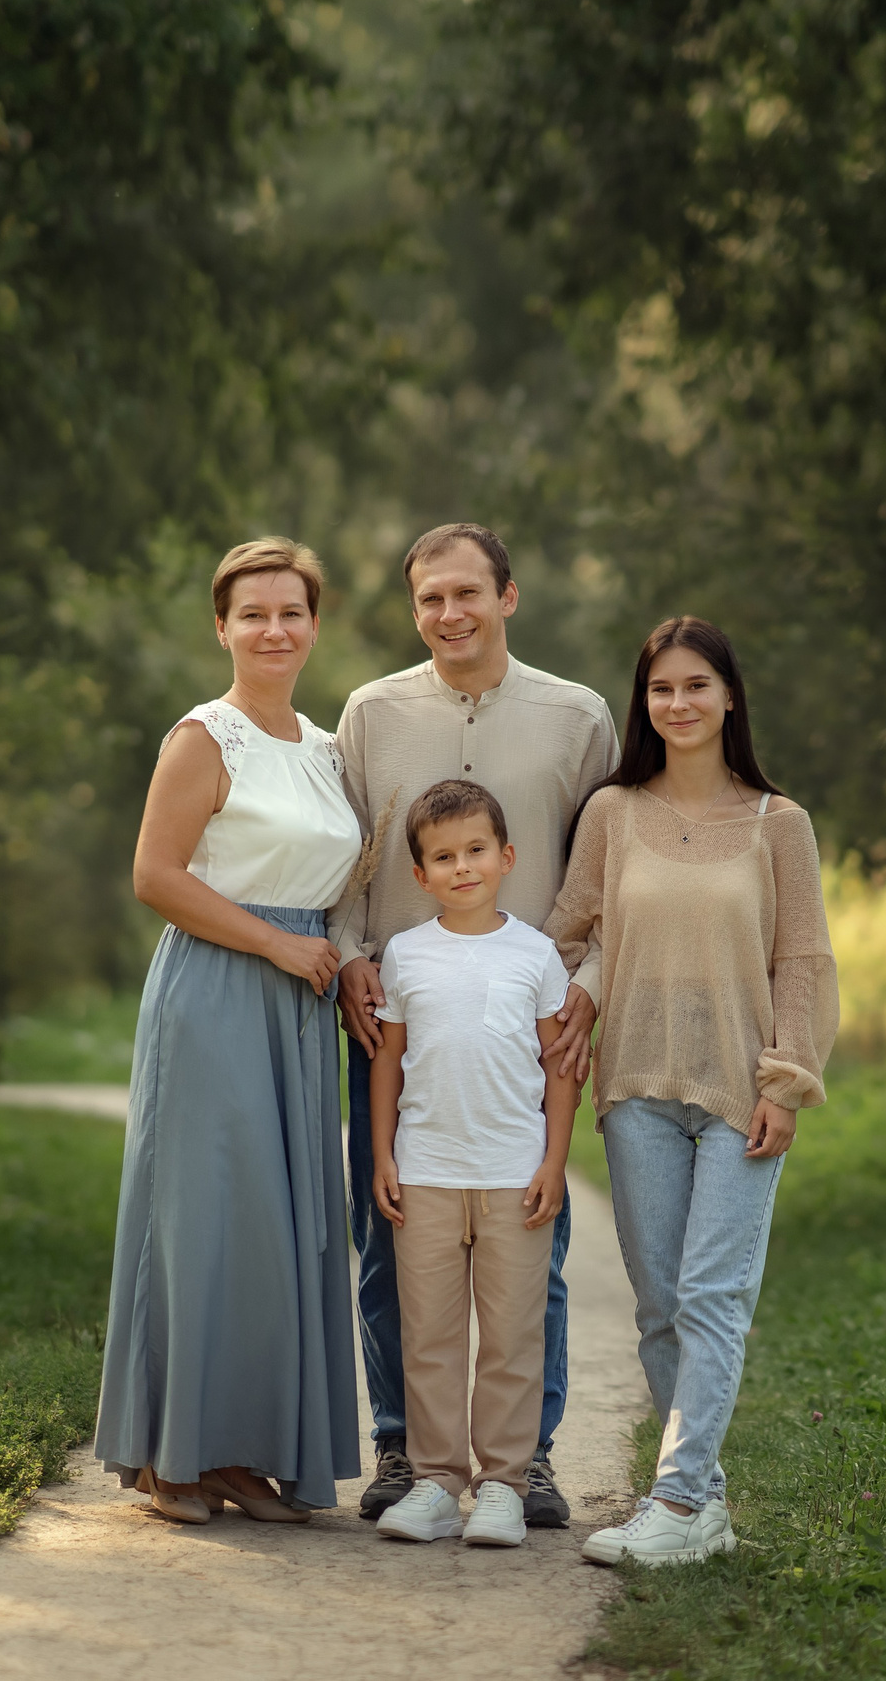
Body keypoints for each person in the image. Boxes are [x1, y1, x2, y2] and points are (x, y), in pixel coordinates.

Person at [328, 523, 619, 1527]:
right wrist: (349, 952)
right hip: (395, 1010)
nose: (448, 614)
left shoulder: (576, 716)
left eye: (466, 593)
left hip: (528, 1007)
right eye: (428, 599)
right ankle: (406, 1449)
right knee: (391, 1231)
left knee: (527, 1237)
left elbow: (606, 864)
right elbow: (345, 854)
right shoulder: (368, 712)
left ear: (508, 595)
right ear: (414, 609)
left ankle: (522, 1459)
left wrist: (590, 976)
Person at [546, 615, 839, 1566]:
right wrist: (577, 997)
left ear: (729, 697)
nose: (678, 704)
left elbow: (801, 960)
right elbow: (572, 937)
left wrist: (788, 1080)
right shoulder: (612, 813)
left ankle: (673, 1503)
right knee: (661, 1306)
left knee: (713, 1296)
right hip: (634, 1087)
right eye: (662, 689)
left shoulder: (777, 823)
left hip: (740, 1090)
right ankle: (701, 1505)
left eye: (696, 686)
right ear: (646, 702)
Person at [92, 538, 362, 1526]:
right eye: (253, 613)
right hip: (217, 983)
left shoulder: (330, 747)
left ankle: (248, 1451)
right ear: (221, 626)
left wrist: (327, 958)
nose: (274, 629)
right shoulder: (204, 736)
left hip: (301, 997)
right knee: (202, 1218)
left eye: (291, 611)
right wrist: (274, 947)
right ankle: (175, 1453)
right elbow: (156, 875)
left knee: (280, 1229)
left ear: (314, 624)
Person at [366, 780, 578, 1548]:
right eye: (444, 857)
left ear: (507, 858)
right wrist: (383, 1155)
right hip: (424, 1172)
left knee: (514, 1336)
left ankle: (504, 1486)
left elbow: (560, 1067)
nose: (463, 868)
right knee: (429, 1335)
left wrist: (555, 1161)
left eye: (476, 851)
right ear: (419, 876)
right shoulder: (405, 955)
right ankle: (433, 1482)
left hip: (514, 1174)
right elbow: (388, 1062)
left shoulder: (536, 955)